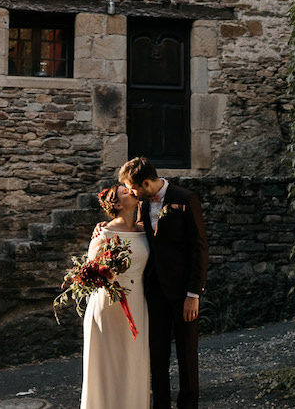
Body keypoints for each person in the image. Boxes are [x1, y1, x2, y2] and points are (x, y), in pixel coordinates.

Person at [119, 156, 208, 409]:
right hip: (154, 292)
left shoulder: (185, 199)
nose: (131, 193)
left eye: (133, 188)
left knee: (186, 355)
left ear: (146, 183)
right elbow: (137, 232)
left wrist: (194, 294)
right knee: (157, 355)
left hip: (183, 293)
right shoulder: (144, 204)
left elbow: (199, 248)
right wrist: (106, 228)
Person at [81, 183, 150, 409]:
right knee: (107, 366)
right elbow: (89, 272)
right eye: (124, 191)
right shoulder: (105, 232)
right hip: (109, 304)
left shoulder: (145, 229)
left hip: (138, 302)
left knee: (133, 363)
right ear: (118, 204)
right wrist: (106, 273)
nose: (130, 190)